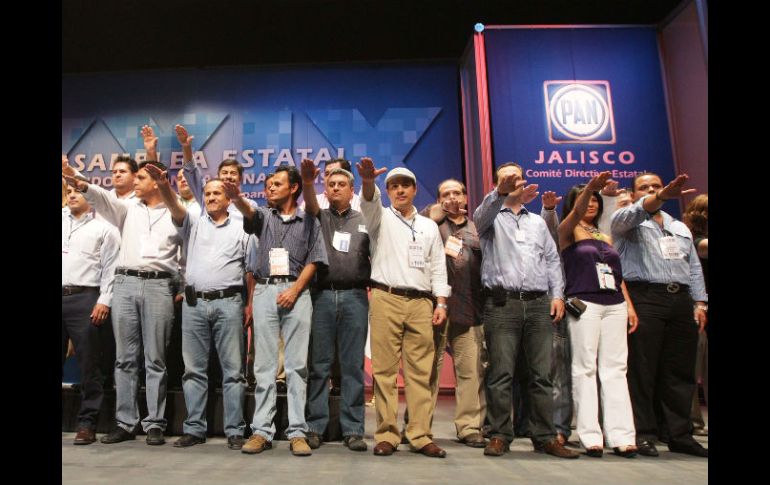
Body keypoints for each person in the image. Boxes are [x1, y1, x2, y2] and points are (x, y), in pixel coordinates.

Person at [64, 153, 183, 446]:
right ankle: (126, 422)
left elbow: (179, 214)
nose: (135, 182)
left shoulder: (175, 209)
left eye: (142, 177)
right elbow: (100, 196)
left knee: (155, 359)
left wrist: (165, 185)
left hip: (159, 285)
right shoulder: (127, 209)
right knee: (124, 359)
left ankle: (154, 423)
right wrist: (73, 176)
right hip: (126, 283)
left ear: (158, 183)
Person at [474, 162, 578, 459]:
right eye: (508, 179)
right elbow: (478, 217)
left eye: (518, 177)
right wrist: (498, 193)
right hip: (502, 303)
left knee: (542, 375)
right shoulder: (491, 218)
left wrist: (557, 294)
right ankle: (499, 434)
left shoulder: (536, 222)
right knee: (501, 374)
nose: (515, 182)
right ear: (497, 184)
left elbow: (552, 259)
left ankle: (545, 436)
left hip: (537, 303)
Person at [144, 163, 252, 450]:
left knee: (233, 372)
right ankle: (194, 428)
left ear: (229, 198)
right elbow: (174, 207)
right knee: (193, 370)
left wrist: (249, 304)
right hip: (194, 304)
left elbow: (251, 271)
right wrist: (164, 184)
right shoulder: (193, 221)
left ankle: (235, 430)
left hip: (229, 302)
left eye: (217, 192)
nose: (211, 197)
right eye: (207, 193)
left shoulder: (242, 227)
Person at [229, 165, 328, 457]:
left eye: (277, 184)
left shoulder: (309, 220)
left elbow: (315, 259)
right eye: (269, 184)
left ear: (294, 187)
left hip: (297, 292)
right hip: (265, 290)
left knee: (297, 365)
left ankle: (297, 431)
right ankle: (262, 430)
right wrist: (236, 198)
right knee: (264, 366)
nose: (270, 188)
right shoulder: (263, 216)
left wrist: (296, 290)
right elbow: (248, 211)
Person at [358, 159, 450, 458]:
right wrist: (369, 182)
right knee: (384, 372)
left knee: (420, 372)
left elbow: (438, 265)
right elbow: (369, 201)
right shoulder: (379, 218)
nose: (399, 190)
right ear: (388, 191)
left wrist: (441, 301)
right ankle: (386, 433)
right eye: (393, 186)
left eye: (404, 185)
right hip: (386, 297)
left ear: (414, 190)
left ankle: (420, 434)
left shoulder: (428, 226)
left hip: (422, 302)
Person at [611, 173, 708, 458]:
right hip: (646, 297)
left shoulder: (679, 226)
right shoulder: (625, 220)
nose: (653, 190)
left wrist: (700, 302)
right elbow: (632, 214)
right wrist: (660, 196)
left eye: (656, 185)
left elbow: (692, 266)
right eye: (645, 187)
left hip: (680, 299)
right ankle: (643, 432)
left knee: (679, 371)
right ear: (634, 192)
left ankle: (679, 434)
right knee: (643, 369)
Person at [557, 172, 639, 458]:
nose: (591, 204)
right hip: (585, 303)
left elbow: (617, 275)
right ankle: (590, 435)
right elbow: (577, 212)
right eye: (585, 199)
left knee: (616, 369)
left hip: (614, 303)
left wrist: (628, 304)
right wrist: (593, 188)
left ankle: (622, 436)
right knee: (585, 368)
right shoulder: (567, 230)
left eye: (595, 200)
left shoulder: (604, 234)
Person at [408, 179, 486, 448]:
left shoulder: (478, 228)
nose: (452, 198)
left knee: (469, 372)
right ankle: (419, 425)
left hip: (470, 307)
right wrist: (436, 211)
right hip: (434, 307)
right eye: (446, 194)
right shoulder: (429, 225)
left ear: (466, 197)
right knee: (429, 370)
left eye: (457, 193)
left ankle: (468, 427)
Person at [300, 159, 370, 452]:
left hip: (355, 296)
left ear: (351, 189)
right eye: (331, 184)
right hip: (323, 297)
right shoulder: (318, 216)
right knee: (319, 365)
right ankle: (315, 427)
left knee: (353, 367)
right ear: (324, 190)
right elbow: (310, 201)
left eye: (342, 184)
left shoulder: (364, 220)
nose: (336, 188)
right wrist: (306, 181)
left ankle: (353, 429)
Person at [62, 185, 120, 445]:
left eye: (79, 191)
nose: (73, 195)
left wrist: (104, 300)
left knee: (89, 365)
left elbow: (111, 268)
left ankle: (87, 422)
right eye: (69, 191)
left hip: (85, 298)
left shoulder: (104, 229)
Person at [683, 194, 708, 436]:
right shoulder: (697, 240)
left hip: (702, 306)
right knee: (692, 367)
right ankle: (692, 421)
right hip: (696, 310)